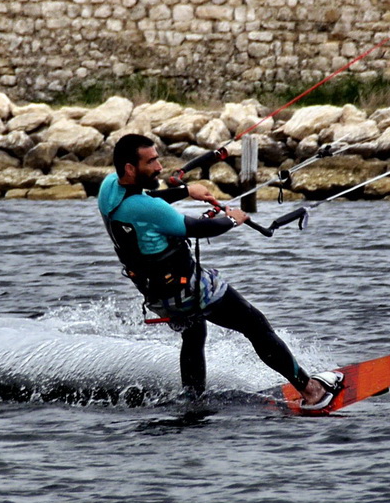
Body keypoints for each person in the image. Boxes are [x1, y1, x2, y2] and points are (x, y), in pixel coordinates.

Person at [97, 133, 337, 409]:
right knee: (254, 324)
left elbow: (148, 198)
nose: (160, 167)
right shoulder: (148, 208)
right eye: (151, 162)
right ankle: (311, 391)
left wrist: (187, 191)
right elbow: (199, 228)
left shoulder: (109, 190)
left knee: (194, 332)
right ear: (130, 168)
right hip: (188, 290)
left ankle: (192, 398)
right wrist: (232, 220)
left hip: (158, 296)